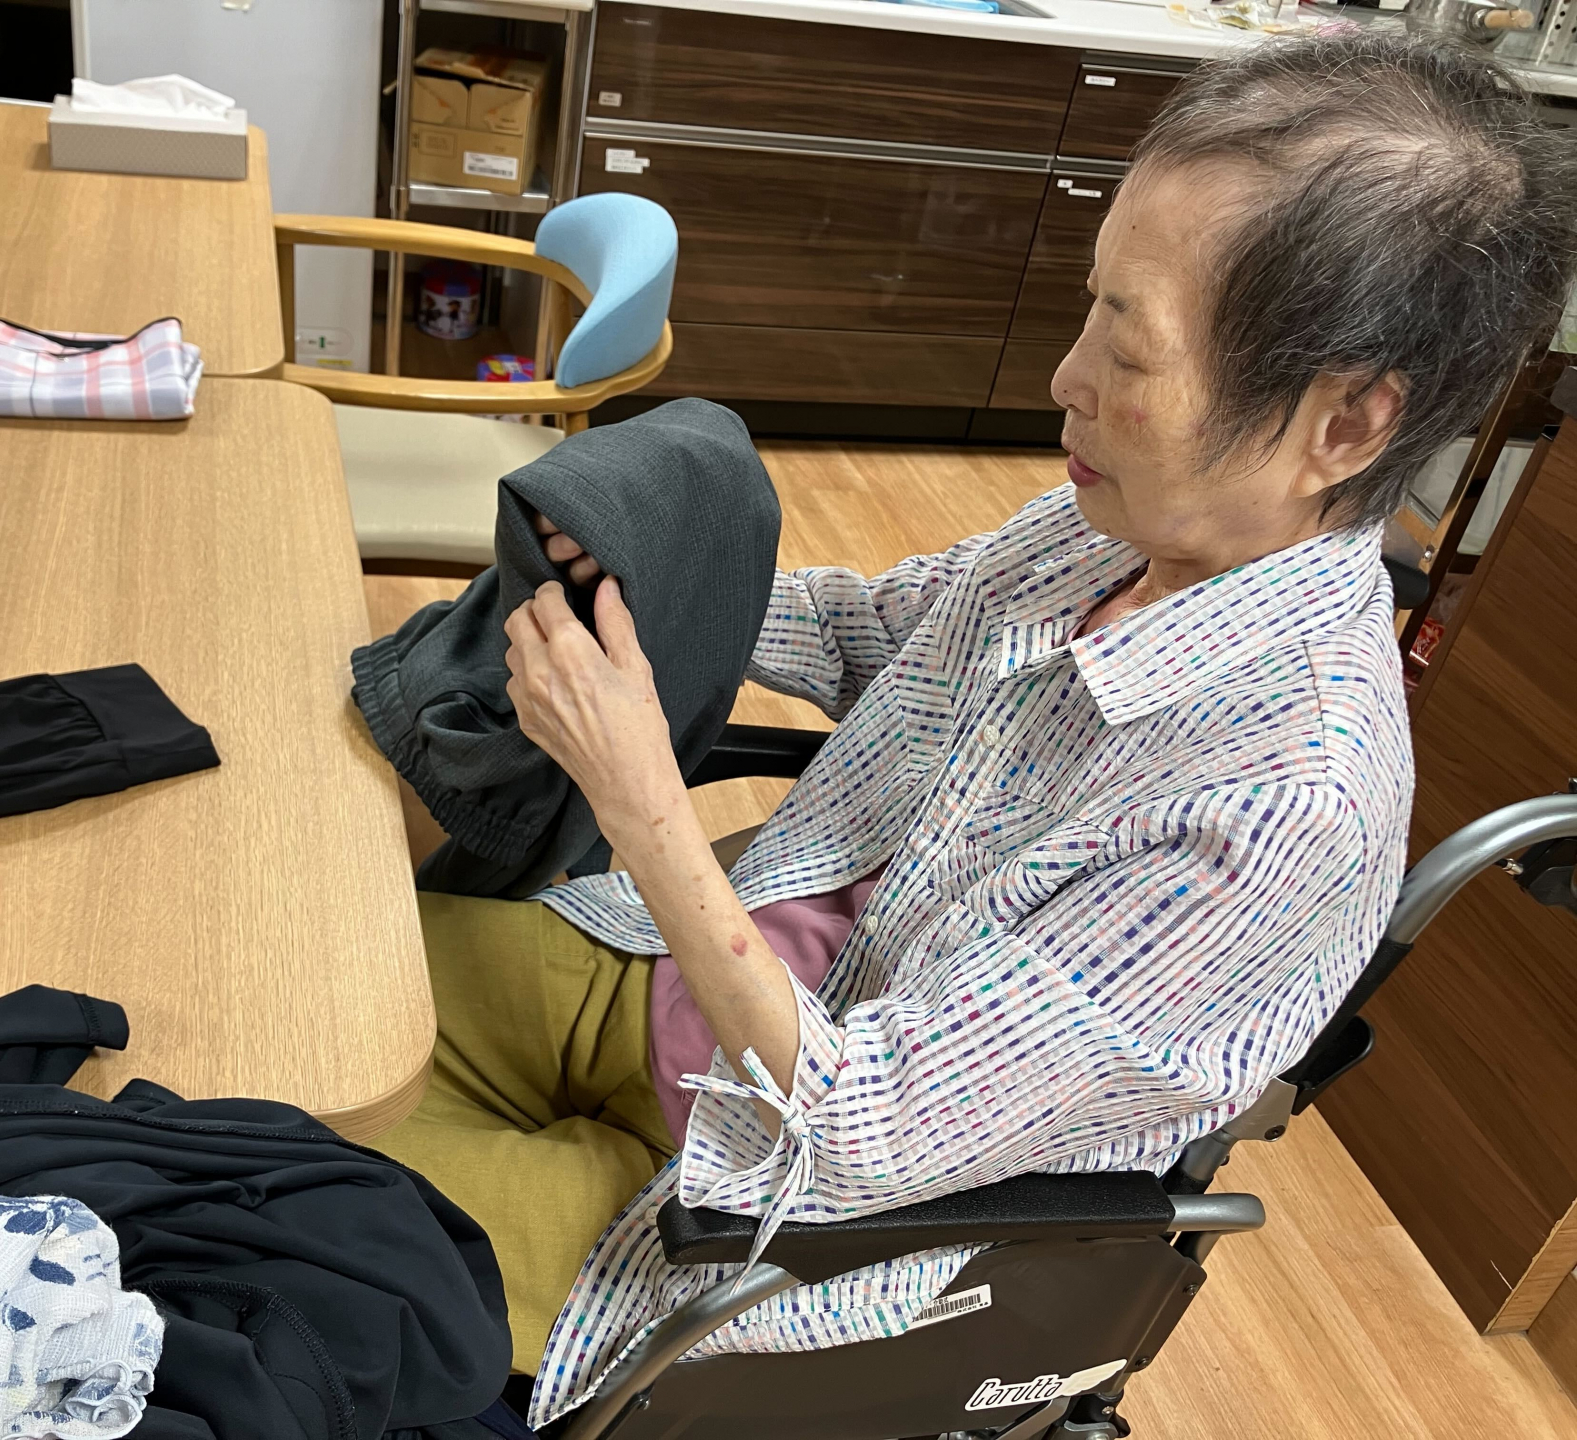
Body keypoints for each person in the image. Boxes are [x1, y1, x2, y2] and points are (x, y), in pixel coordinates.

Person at [375, 29, 1577, 1430]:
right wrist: (647, 577)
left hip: (754, 1214)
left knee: (260, 1174)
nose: (1065, 377)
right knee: (289, 967)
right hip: (676, 981)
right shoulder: (1106, 531)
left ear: (1347, 423)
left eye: (1127, 345)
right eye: (1089, 310)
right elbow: (872, 629)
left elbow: (856, 1129)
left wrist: (638, 796)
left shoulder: (1280, 808)